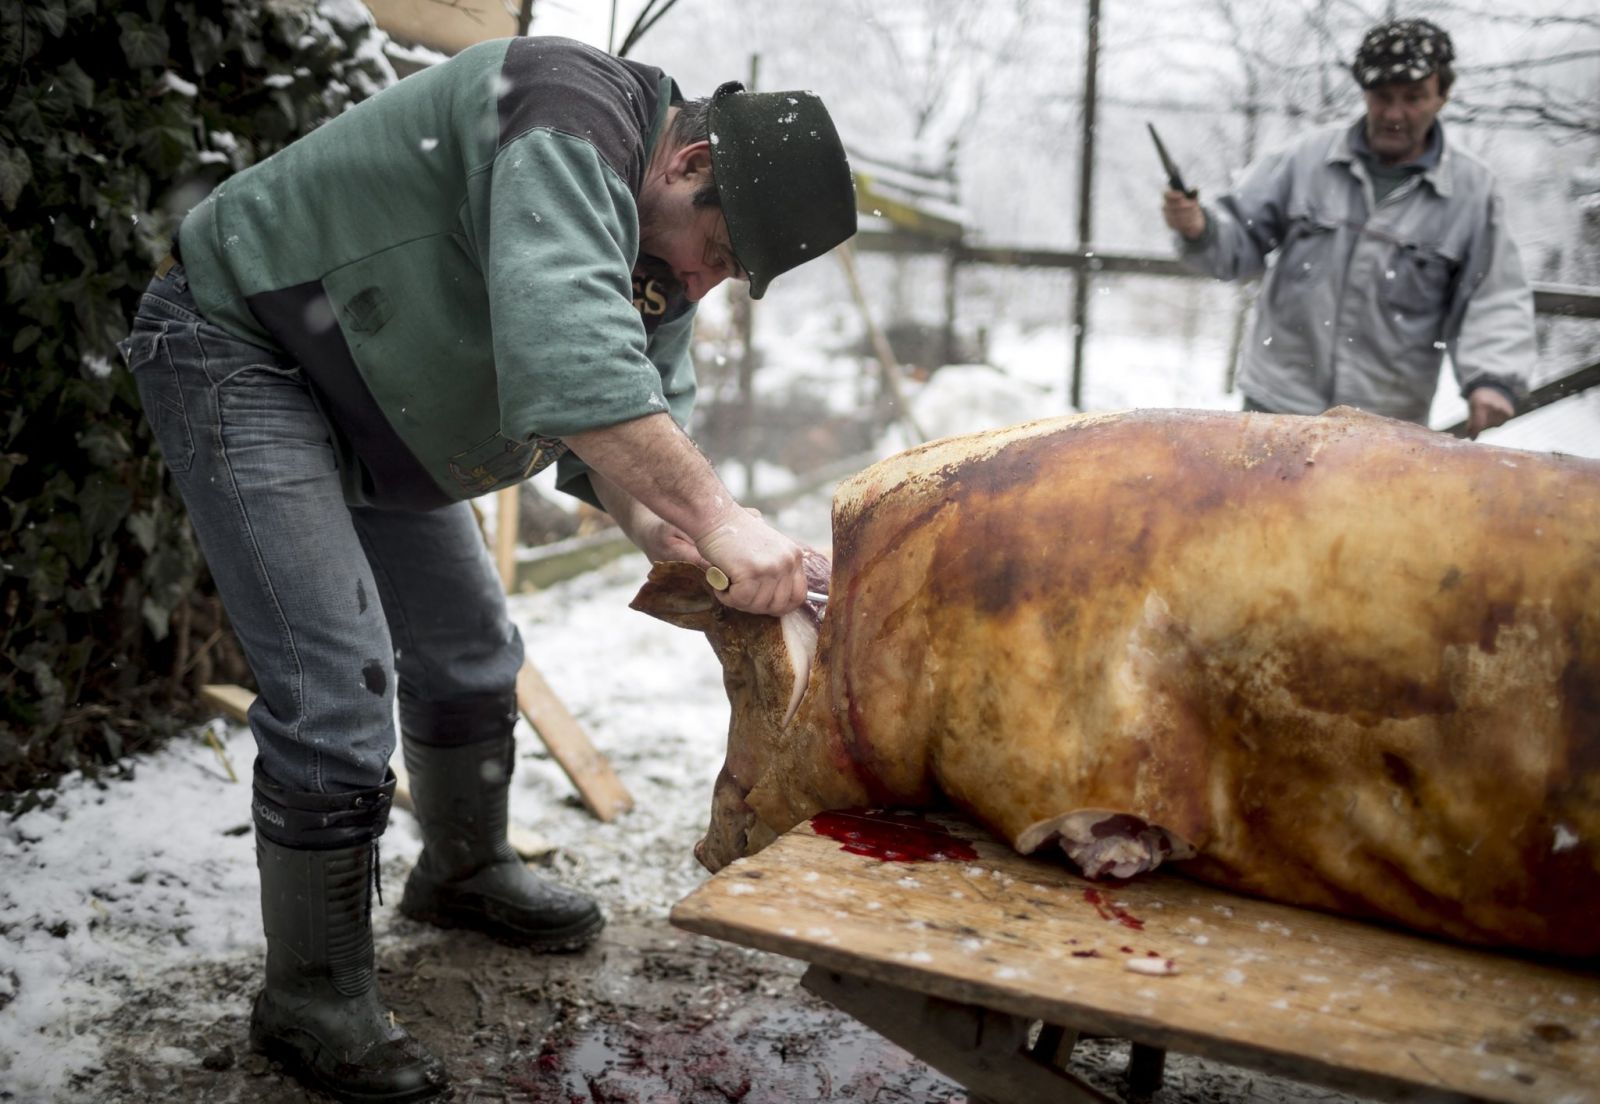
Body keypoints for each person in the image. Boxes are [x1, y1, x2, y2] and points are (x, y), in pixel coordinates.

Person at [118, 35, 856, 1103]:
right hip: (248, 345)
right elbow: (571, 358)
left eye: (730, 275)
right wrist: (724, 512)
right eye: (724, 252)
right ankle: (312, 996)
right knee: (337, 685)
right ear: (690, 164)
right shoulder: (568, 113)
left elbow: (642, 409)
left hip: (374, 399)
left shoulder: (656, 244)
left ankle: (459, 869)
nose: (711, 281)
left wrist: (682, 538)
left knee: (469, 654)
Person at [1161, 18, 1534, 438]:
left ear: (1442, 95)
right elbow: (1238, 243)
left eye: (1413, 98)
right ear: (1364, 93)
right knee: (1260, 507)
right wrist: (1200, 229)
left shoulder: (1472, 191)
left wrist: (1493, 377)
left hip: (1387, 426)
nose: (1394, 113)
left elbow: (1494, 295)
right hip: (1278, 407)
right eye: (1382, 96)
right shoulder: (1306, 159)